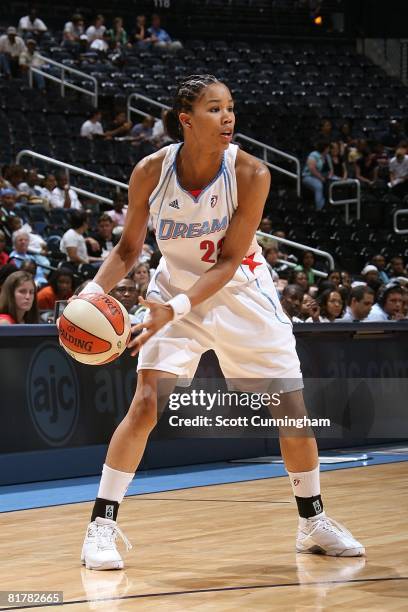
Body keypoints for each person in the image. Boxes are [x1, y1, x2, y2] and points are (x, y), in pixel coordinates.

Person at [75, 74, 364, 570]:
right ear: (186, 119)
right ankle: (101, 524)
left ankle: (312, 521)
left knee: (290, 409)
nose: (228, 117)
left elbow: (229, 261)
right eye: (214, 109)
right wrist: (89, 293)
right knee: (145, 403)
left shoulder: (252, 173)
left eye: (230, 108)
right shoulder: (151, 171)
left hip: (241, 294)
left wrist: (176, 309)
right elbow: (127, 249)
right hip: (173, 289)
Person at [302, 141, 329, 210]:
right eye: (328, 148)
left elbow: (330, 168)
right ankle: (320, 208)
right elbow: (312, 169)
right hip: (308, 176)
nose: (329, 149)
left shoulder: (327, 156)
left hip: (321, 175)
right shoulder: (313, 155)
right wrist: (321, 177)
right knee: (318, 186)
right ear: (325, 148)